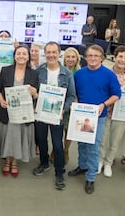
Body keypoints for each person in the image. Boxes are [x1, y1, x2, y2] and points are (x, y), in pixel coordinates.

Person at [68, 44, 121, 194]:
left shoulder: (109, 75)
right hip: (81, 114)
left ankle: (90, 177)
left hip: (98, 116)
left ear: (102, 58)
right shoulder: (79, 74)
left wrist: (104, 104)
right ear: (85, 57)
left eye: (96, 56)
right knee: (81, 143)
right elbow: (75, 92)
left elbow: (117, 95)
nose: (92, 58)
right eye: (90, 55)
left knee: (93, 147)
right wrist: (77, 101)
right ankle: (82, 166)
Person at [33, 41, 76, 190]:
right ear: (45, 54)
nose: (51, 55)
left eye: (54, 52)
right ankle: (44, 163)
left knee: (58, 145)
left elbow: (71, 96)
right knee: (42, 141)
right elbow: (34, 93)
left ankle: (59, 172)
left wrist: (62, 110)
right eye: (48, 52)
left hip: (58, 116)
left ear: (59, 54)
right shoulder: (39, 71)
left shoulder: (67, 74)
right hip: (41, 114)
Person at [0, 45, 39, 178]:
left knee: (18, 136)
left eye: (24, 54)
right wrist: (1, 99)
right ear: (14, 56)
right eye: (18, 53)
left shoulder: (34, 74)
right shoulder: (6, 70)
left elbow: (37, 95)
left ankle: (14, 162)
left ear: (28, 57)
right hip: (7, 112)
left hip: (24, 113)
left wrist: (35, 93)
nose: (21, 56)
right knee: (8, 136)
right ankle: (7, 161)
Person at [98, 45, 125, 178]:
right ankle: (100, 161)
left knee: (115, 141)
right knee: (102, 139)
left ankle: (108, 162)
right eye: (120, 56)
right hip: (106, 112)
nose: (123, 60)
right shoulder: (106, 73)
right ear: (115, 57)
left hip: (122, 114)